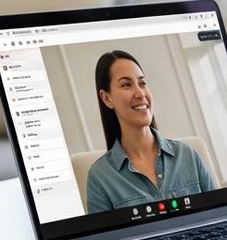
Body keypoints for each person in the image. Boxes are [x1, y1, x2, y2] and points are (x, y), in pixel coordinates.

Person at [85, 50, 217, 214]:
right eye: (126, 84)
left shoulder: (187, 155)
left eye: (142, 83)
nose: (140, 93)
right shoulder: (100, 177)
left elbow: (220, 216)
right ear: (107, 98)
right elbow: (106, 239)